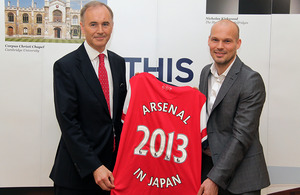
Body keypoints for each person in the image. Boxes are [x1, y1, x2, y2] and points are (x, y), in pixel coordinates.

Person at [49, 1, 127, 195]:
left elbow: (116, 118)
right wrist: (94, 166)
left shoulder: (118, 63)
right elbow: (68, 122)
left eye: (105, 24)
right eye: (93, 24)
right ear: (82, 27)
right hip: (77, 175)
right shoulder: (65, 66)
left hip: (111, 172)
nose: (100, 30)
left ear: (112, 26)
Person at [198, 19, 270, 195]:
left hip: (241, 179)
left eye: (227, 41)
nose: (220, 46)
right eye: (215, 40)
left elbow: (241, 137)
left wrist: (215, 178)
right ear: (208, 41)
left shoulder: (251, 80)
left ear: (238, 44)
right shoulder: (205, 72)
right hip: (207, 169)